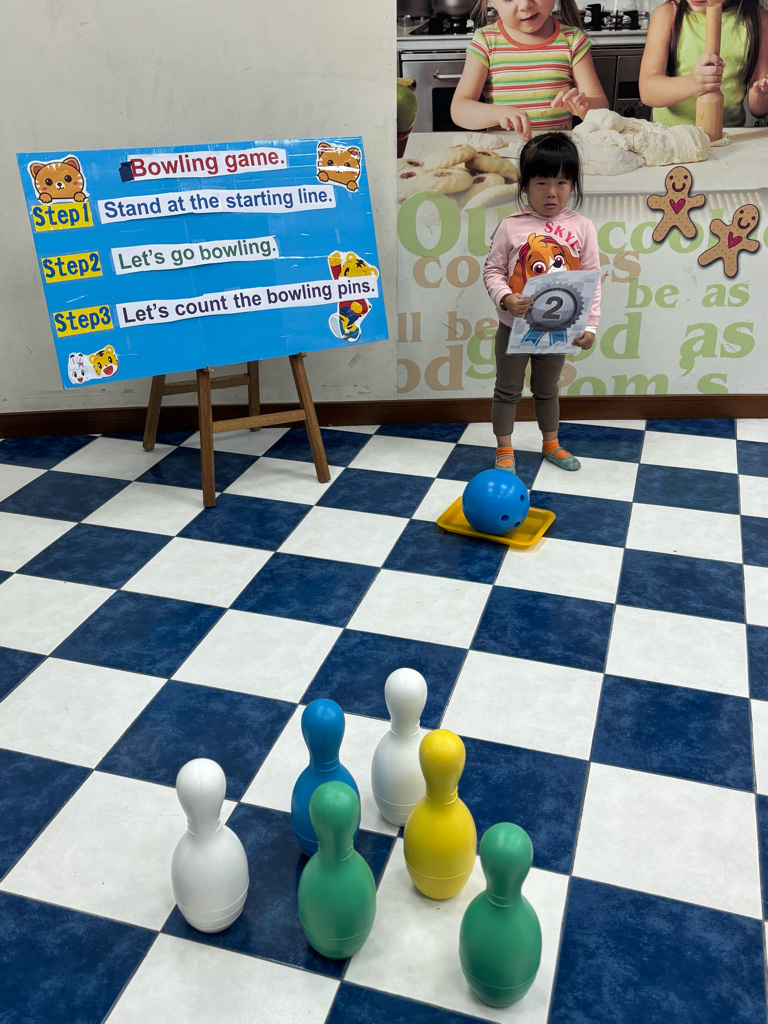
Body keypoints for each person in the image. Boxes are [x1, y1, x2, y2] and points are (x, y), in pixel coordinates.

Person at [482, 133, 600, 474]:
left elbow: (592, 280)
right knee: (507, 390)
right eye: (542, 182)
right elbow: (492, 271)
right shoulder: (511, 227)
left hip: (558, 330)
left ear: (573, 184)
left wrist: (590, 325)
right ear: (525, 184)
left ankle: (551, 444)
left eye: (562, 182)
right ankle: (505, 448)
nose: (552, 192)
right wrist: (506, 298)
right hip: (514, 329)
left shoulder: (583, 227)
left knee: (548, 390)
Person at [451, 0, 609, 140]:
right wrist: (498, 114)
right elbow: (459, 109)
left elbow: (601, 107)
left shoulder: (572, 39)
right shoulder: (485, 41)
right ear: (493, 2)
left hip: (556, 154)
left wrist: (583, 106)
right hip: (505, 156)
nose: (525, 4)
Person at [639, 0, 768, 127]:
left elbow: (757, 108)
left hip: (729, 134)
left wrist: (762, 94)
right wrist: (692, 84)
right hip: (671, 133)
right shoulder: (667, 14)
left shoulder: (760, 21)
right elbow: (647, 91)